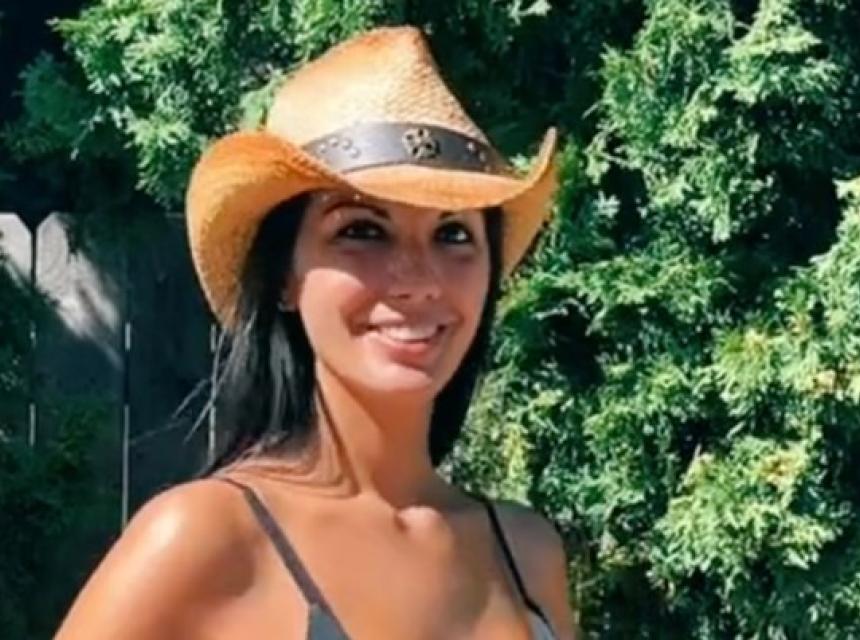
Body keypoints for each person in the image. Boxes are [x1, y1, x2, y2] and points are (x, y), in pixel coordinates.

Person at [55, 25, 574, 640]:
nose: (418, 279)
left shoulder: (527, 555)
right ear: (283, 277)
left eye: (453, 233)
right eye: (362, 230)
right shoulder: (205, 540)